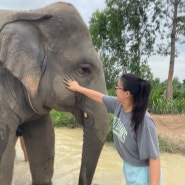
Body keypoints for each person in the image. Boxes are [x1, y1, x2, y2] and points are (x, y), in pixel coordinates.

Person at [63, 73, 162, 185]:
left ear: (127, 94)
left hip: (143, 174)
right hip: (129, 167)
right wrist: (78, 88)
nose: (115, 89)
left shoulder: (144, 122)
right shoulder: (118, 105)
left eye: (117, 87)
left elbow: (154, 158)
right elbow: (99, 97)